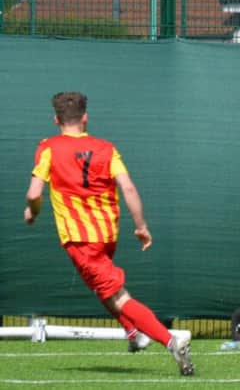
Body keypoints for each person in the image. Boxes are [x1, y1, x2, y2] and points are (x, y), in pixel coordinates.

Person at [23, 92, 194, 375]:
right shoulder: (106, 148)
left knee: (117, 296)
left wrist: (33, 210)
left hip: (81, 240)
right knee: (103, 287)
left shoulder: (49, 148)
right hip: (107, 235)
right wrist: (141, 226)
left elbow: (33, 193)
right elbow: (127, 188)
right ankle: (134, 334)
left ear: (56, 120)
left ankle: (170, 340)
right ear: (85, 118)